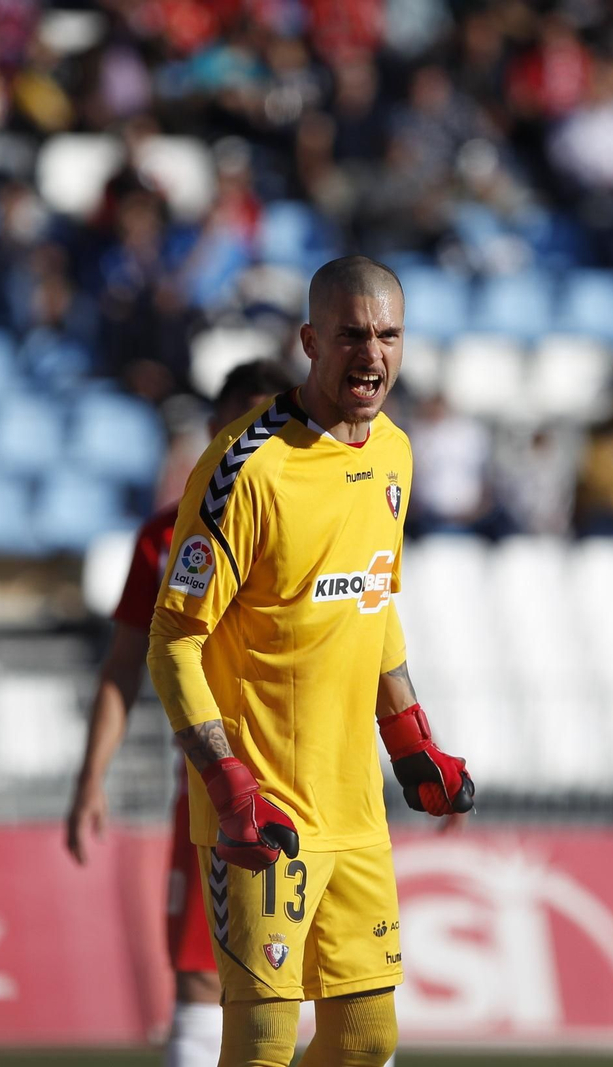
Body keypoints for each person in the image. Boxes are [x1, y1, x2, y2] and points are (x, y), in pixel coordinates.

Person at [147, 256, 474, 1067]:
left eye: (388, 335)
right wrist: (228, 783)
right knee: (262, 1039)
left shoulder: (394, 453)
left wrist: (411, 738)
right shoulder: (247, 468)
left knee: (366, 1037)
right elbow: (173, 640)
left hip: (355, 808)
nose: (373, 354)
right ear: (310, 341)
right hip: (263, 809)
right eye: (352, 335)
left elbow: (373, 602)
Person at [65, 358, 294, 1067]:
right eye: (240, 421)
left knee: (339, 988)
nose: (253, 437)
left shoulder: (318, 523)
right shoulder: (166, 539)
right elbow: (123, 665)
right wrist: (91, 776)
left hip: (309, 780)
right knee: (200, 979)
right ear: (216, 427)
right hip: (211, 787)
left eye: (268, 423)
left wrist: (411, 745)